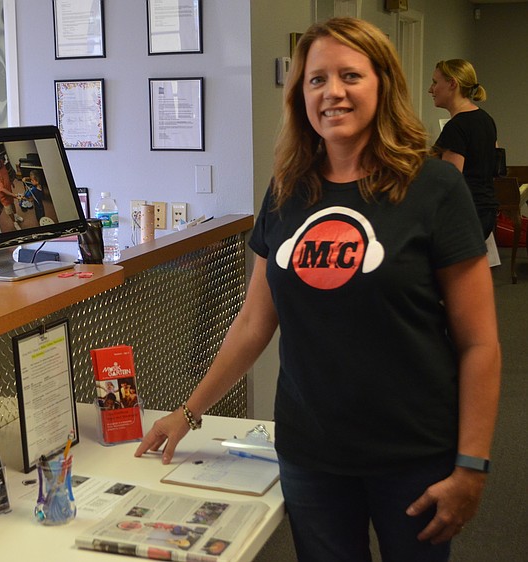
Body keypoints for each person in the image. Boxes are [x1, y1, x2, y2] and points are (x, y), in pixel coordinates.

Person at [135, 18, 500, 562]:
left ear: (382, 84)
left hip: (414, 453)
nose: (332, 92)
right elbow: (254, 322)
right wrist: (188, 412)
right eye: (315, 79)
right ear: (299, 94)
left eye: (350, 75)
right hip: (312, 454)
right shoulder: (286, 191)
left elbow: (480, 343)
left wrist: (472, 465)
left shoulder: (434, 189)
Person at [429, 59, 499, 239]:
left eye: (435, 82)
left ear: (452, 83)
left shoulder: (456, 127)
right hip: (486, 212)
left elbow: (450, 182)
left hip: (465, 215)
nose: (431, 89)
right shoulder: (486, 119)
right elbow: (495, 165)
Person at [0, 146, 24, 231]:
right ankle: (14, 222)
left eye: (0, 160)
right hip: (3, 194)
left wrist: (10, 181)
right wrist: (14, 195)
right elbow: (1, 189)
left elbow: (5, 172)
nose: (0, 163)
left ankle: (16, 215)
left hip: (8, 188)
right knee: (8, 208)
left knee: (12, 203)